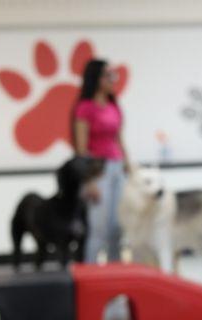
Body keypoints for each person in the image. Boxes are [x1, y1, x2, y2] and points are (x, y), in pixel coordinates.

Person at [73, 59, 130, 263]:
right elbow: (81, 149)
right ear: (96, 79)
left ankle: (115, 280)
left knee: (117, 229)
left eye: (113, 75)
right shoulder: (85, 108)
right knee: (98, 228)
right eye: (108, 75)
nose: (112, 80)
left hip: (117, 168)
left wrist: (129, 167)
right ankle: (90, 276)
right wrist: (88, 181)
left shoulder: (114, 105)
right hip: (97, 170)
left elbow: (120, 139)